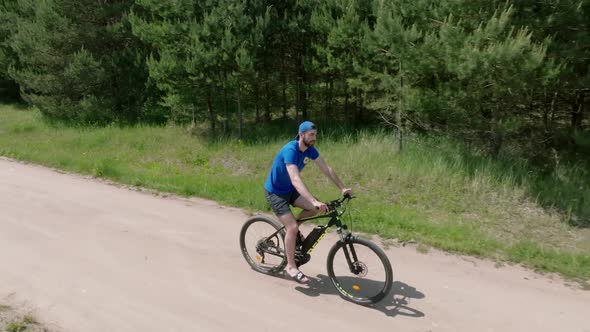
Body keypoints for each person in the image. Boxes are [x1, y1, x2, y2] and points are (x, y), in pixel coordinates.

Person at [264, 121, 352, 283]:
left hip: (290, 190)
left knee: (314, 210)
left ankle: (293, 232)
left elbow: (326, 169)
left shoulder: (310, 150)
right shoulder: (290, 150)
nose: (314, 138)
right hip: (275, 193)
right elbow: (295, 179)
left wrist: (342, 188)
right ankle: (290, 267)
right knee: (292, 227)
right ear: (301, 134)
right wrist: (313, 200)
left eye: (315, 135)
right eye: (311, 135)